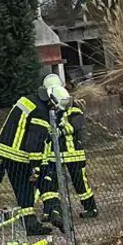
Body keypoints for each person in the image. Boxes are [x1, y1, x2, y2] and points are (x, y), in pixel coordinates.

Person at [0, 77, 58, 236]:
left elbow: (7, 129)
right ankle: (52, 212)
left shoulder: (26, 101)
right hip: (22, 157)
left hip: (7, 153)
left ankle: (31, 224)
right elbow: (34, 142)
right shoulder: (41, 113)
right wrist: (36, 167)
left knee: (23, 191)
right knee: (40, 183)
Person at [43, 77, 99, 220]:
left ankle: (90, 208)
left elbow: (77, 123)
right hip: (54, 154)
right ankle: (52, 212)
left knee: (80, 182)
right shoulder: (48, 109)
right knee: (50, 184)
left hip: (73, 152)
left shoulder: (72, 105)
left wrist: (60, 130)